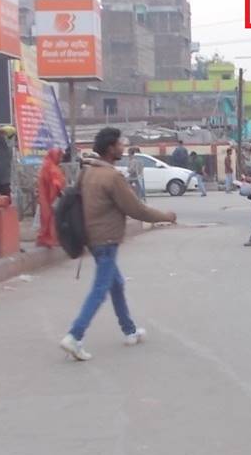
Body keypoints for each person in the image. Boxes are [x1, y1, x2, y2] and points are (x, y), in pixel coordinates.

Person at [60, 127, 177, 362]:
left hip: (92, 238)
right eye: (120, 143)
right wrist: (167, 216)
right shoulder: (112, 177)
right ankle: (74, 335)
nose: (123, 146)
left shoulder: (88, 172)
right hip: (106, 241)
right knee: (101, 289)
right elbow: (137, 209)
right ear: (110, 148)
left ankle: (129, 330)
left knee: (116, 284)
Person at [36, 147, 66, 248]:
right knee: (51, 218)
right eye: (59, 156)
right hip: (50, 197)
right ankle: (49, 239)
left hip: (46, 196)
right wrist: (59, 190)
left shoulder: (47, 165)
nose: (60, 159)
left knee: (46, 218)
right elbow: (55, 183)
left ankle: (46, 238)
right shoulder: (51, 167)